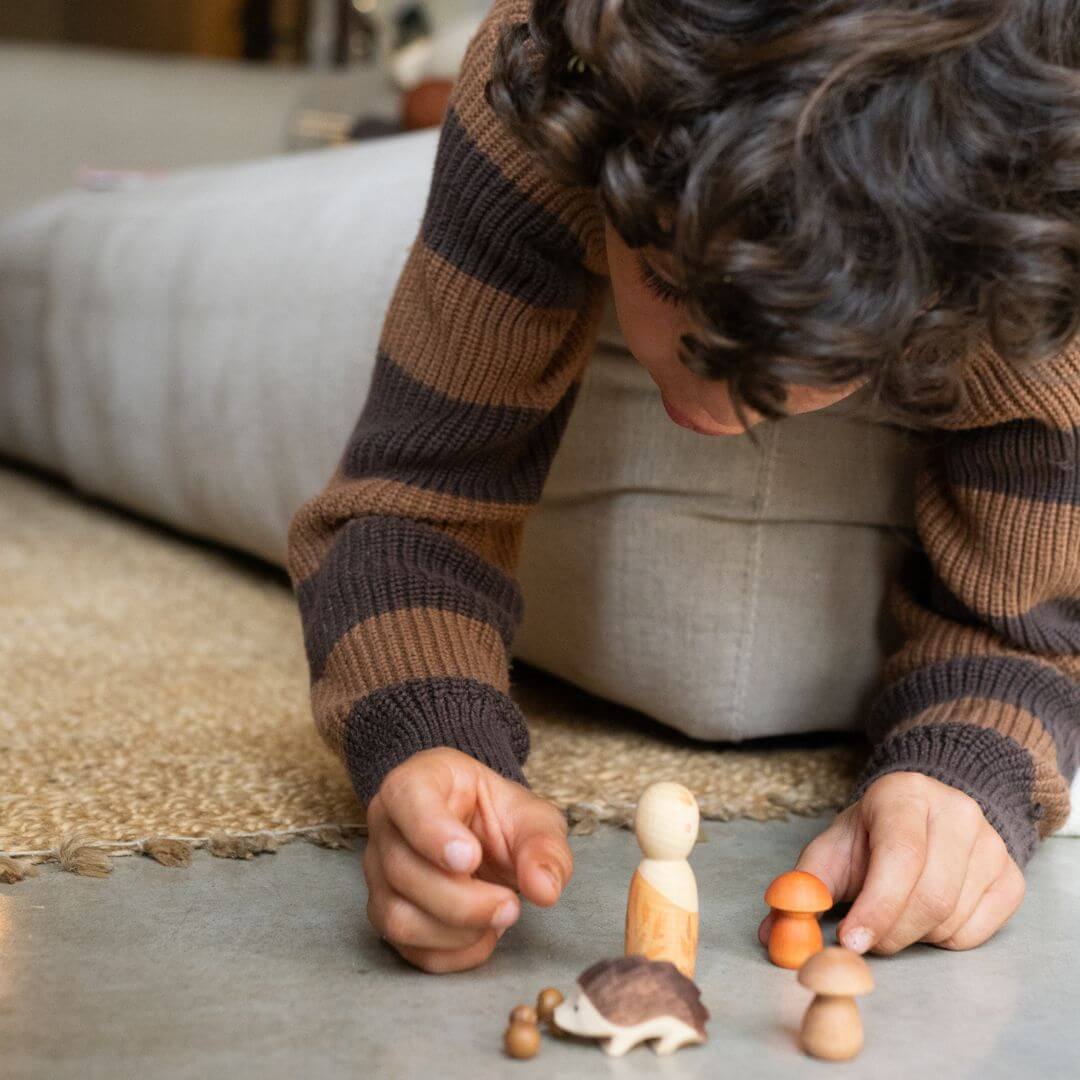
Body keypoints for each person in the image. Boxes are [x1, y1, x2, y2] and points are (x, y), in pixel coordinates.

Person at [286, 0, 1080, 973]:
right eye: (667, 282)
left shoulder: (1039, 250)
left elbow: (1031, 624)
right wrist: (425, 743)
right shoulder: (560, 72)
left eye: (823, 349)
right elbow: (413, 500)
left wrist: (967, 770)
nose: (715, 399)